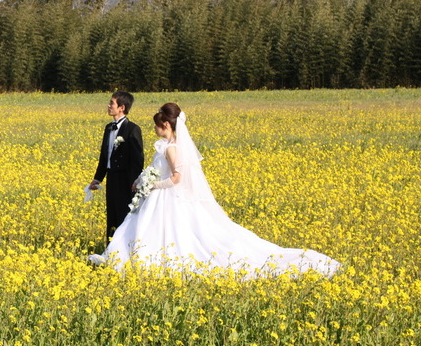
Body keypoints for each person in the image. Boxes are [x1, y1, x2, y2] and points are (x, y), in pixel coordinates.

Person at [89, 103, 340, 277]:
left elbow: (177, 177)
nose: (154, 129)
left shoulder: (172, 148)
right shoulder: (167, 145)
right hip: (158, 197)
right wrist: (143, 180)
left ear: (166, 124)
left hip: (165, 197)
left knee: (165, 234)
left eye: (157, 125)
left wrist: (153, 185)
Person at [87, 91, 145, 243]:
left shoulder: (132, 129)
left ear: (121, 107)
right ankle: (110, 250)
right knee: (111, 215)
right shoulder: (108, 128)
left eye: (111, 103)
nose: (108, 105)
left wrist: (135, 182)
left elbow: (137, 159)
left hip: (126, 181)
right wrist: (97, 179)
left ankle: (125, 249)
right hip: (112, 178)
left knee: (124, 215)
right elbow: (104, 155)